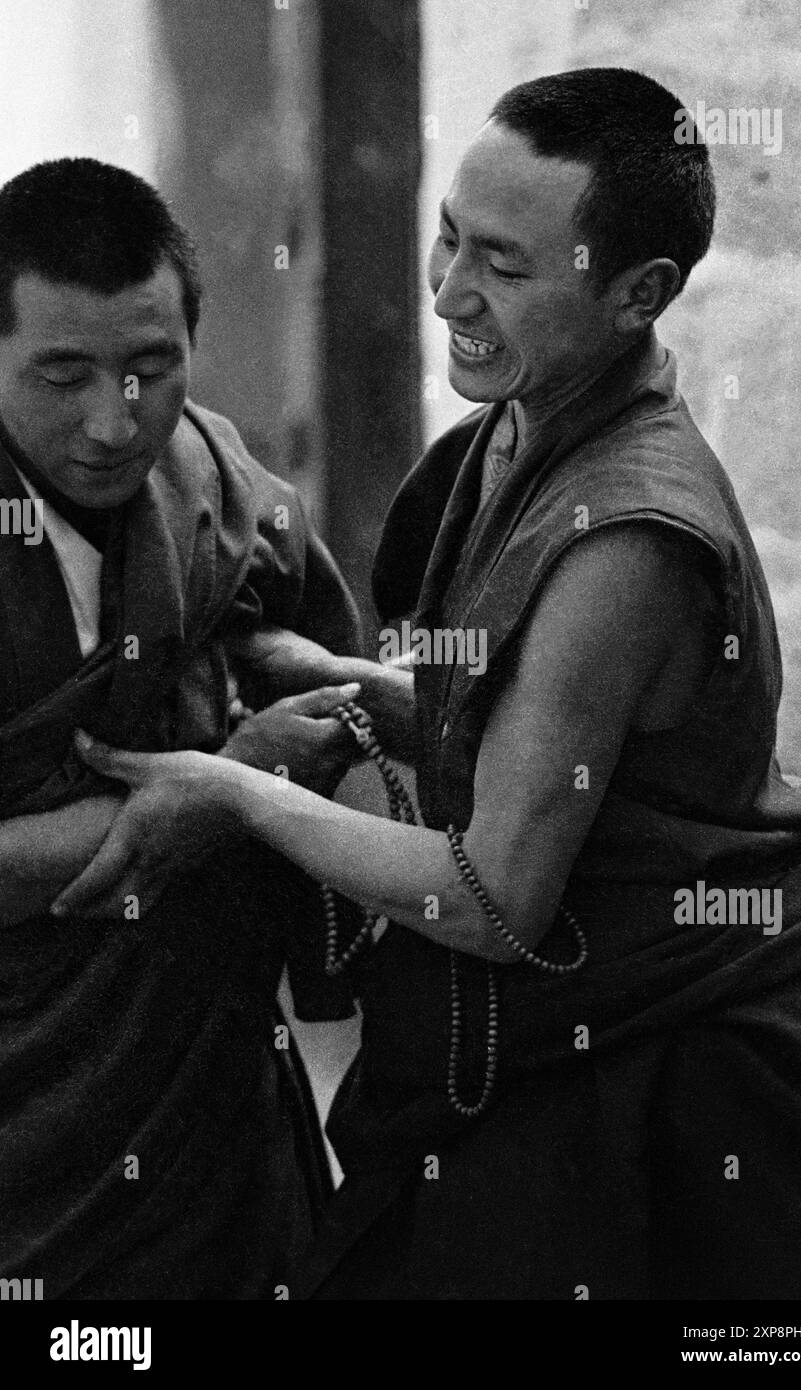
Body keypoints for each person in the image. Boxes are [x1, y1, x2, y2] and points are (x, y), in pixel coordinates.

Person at [55, 71, 801, 1301]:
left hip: (671, 1088)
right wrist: (363, 690)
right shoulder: (520, 424)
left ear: (637, 294)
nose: (446, 295)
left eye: (503, 265)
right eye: (447, 237)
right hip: (529, 1063)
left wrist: (231, 793)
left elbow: (493, 898)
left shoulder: (625, 545)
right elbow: (517, 712)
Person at [0, 158, 365, 1299]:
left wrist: (308, 693)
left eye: (150, 368)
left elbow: (280, 635)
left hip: (202, 1097)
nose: (115, 422)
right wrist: (220, 789)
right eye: (63, 374)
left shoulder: (208, 473)